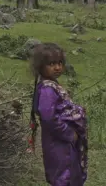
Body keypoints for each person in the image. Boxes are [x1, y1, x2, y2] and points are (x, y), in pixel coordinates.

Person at [29, 43, 88, 186]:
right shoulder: (47, 90)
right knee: (63, 175)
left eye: (60, 63)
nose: (57, 67)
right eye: (51, 64)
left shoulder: (51, 84)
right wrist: (69, 133)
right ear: (41, 66)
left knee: (70, 173)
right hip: (59, 142)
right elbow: (48, 118)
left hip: (63, 142)